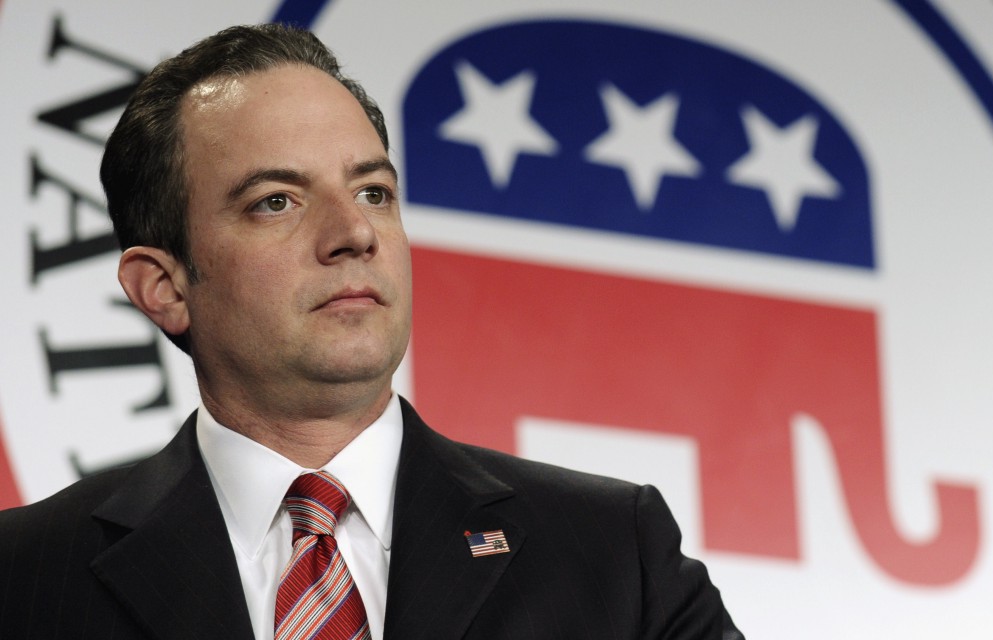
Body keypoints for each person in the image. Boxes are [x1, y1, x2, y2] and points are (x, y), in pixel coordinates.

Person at [0, 23, 743, 640]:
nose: (354, 231)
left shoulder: (614, 554)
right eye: (277, 201)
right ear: (163, 287)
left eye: (374, 191)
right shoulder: (24, 578)